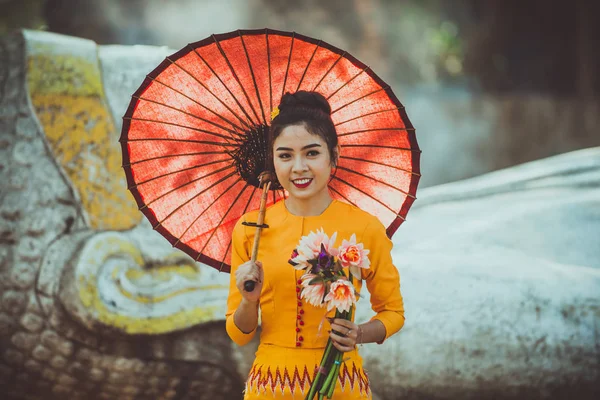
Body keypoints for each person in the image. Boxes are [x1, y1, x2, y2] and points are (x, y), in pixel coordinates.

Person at [225, 91, 405, 399]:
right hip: (270, 386)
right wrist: (248, 300)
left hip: (340, 385)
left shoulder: (365, 228)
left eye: (311, 153)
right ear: (273, 161)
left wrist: (358, 333)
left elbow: (392, 312)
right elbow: (239, 334)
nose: (298, 168)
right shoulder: (250, 230)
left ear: (334, 154)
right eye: (285, 155)